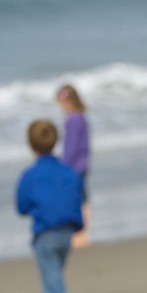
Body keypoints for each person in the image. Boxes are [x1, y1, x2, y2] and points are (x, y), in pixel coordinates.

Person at [16, 119, 84, 293]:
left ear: (31, 145)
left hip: (45, 232)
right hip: (67, 231)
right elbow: (77, 196)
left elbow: (21, 206)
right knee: (53, 273)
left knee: (52, 276)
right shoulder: (69, 172)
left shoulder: (31, 175)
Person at [56, 84, 91, 248]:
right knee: (83, 199)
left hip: (74, 167)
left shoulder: (73, 120)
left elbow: (71, 147)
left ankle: (80, 235)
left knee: (78, 201)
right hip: (82, 164)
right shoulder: (81, 117)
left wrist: (64, 165)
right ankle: (82, 234)